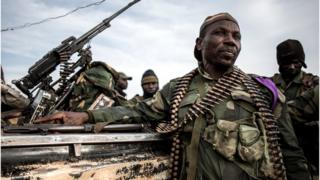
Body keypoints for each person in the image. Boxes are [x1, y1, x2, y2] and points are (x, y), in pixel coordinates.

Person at [36, 13, 310, 180]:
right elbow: (139, 110)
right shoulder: (177, 89)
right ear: (199, 44)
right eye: (220, 33)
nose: (230, 40)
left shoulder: (262, 92)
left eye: (236, 36)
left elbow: (290, 154)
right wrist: (85, 115)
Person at [270, 39, 319, 177]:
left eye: (296, 62)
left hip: (310, 155)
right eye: (287, 63)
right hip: (277, 154)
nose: (292, 67)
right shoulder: (269, 85)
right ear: (280, 64)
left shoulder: (314, 84)